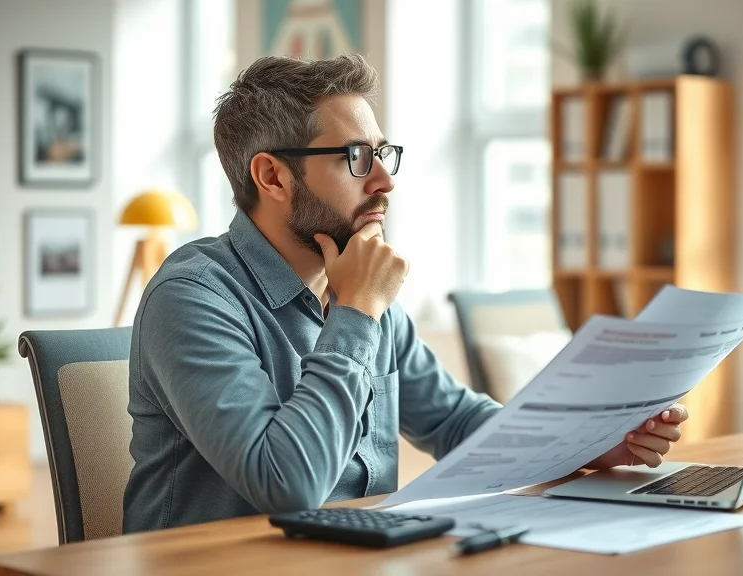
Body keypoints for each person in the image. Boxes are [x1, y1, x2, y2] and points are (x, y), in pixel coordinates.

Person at [121, 54, 689, 534]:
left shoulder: (360, 287)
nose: (385, 181)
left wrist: (587, 446)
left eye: (382, 153)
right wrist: (357, 313)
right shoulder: (193, 297)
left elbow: (456, 423)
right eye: (355, 158)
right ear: (272, 177)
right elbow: (287, 485)